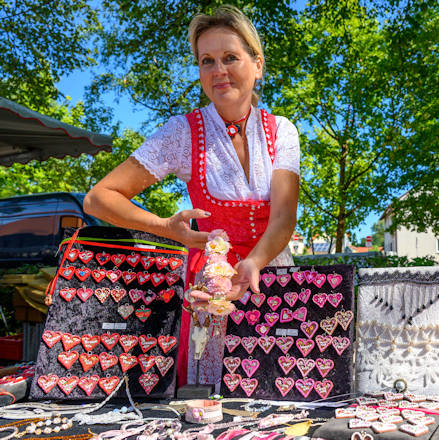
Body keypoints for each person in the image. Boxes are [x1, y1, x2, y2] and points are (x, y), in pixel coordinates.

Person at [84, 5, 299, 385]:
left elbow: (283, 217)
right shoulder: (181, 133)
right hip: (210, 288)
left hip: (271, 276)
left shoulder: (282, 131)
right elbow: (99, 198)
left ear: (258, 64)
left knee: (278, 388)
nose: (219, 70)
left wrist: (254, 263)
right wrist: (167, 227)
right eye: (207, 61)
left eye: (230, 57)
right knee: (208, 398)